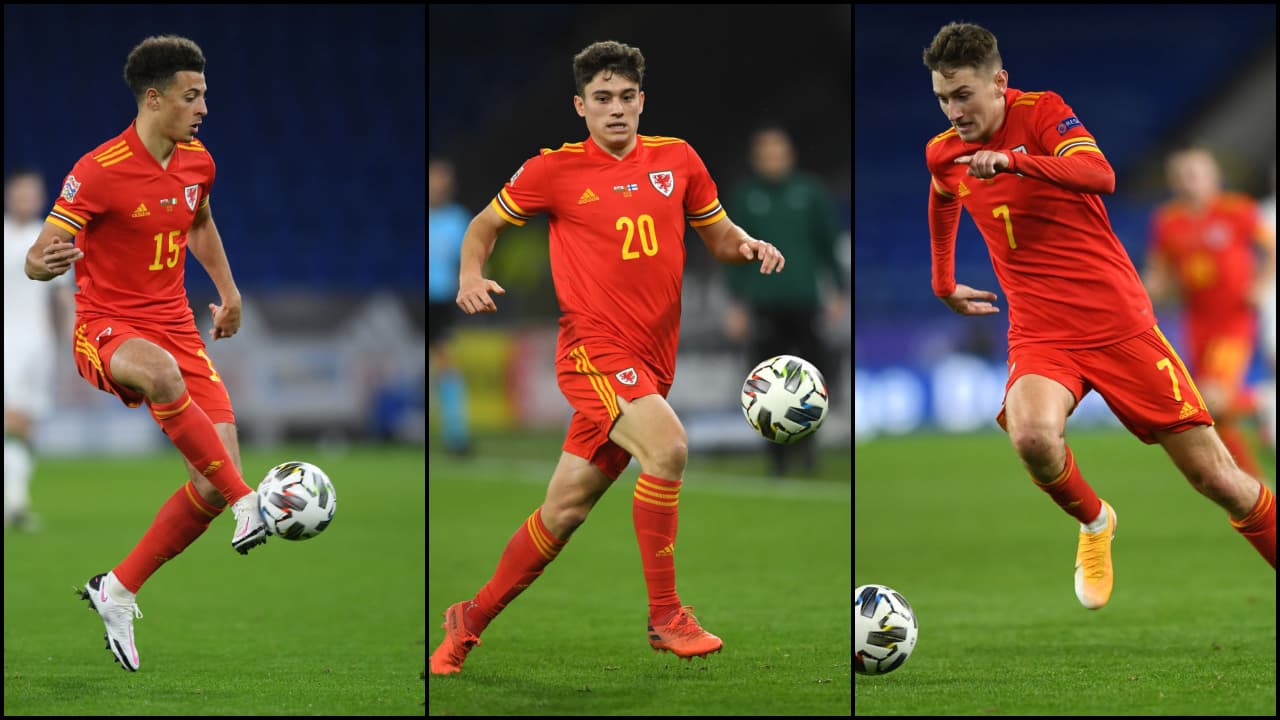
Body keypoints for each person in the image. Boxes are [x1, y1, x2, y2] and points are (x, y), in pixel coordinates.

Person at [430, 40, 786, 675]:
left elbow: (719, 235)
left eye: (626, 97)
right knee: (670, 448)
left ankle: (469, 619)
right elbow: (483, 224)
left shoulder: (678, 160)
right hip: (593, 354)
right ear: (580, 106)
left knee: (563, 511)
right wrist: (468, 275)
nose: (616, 109)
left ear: (642, 100)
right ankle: (666, 614)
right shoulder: (552, 171)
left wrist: (749, 245)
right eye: (602, 99)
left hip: (652, 363)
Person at [921, 21, 1275, 612]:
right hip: (1040, 333)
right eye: (942, 98)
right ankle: (1094, 521)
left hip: (1120, 326)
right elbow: (941, 193)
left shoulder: (1042, 114)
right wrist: (942, 281)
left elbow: (1100, 174)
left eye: (963, 95)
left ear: (999, 82)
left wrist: (1014, 161)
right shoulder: (946, 150)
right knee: (1032, 436)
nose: (953, 110)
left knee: (1221, 482)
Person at [25, 35, 265, 672]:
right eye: (193, 96)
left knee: (208, 484)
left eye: (206, 94)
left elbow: (200, 222)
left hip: (179, 329)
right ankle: (251, 500)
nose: (204, 107)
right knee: (175, 399)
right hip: (107, 328)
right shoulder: (98, 169)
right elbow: (37, 255)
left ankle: (119, 588)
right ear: (153, 99)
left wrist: (229, 292)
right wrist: (41, 265)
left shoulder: (197, 162)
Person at [1144, 147, 1275, 480]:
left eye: (1196, 174)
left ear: (1213, 176)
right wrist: (1145, 296)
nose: (1190, 182)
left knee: (1215, 400)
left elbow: (1271, 247)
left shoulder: (1237, 210)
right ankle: (1256, 488)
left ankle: (1264, 402)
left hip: (1233, 320)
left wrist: (1260, 284)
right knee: (1209, 413)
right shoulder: (1168, 220)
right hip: (1196, 321)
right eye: (1182, 176)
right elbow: (1159, 272)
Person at [723, 125, 845, 476]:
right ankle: (776, 459)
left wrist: (836, 290)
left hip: (804, 301)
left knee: (809, 383)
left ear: (789, 155)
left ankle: (808, 450)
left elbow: (827, 244)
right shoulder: (746, 197)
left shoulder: (810, 193)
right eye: (766, 153)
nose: (772, 159)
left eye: (777, 151)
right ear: (756, 158)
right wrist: (736, 303)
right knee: (764, 388)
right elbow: (733, 253)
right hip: (763, 304)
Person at [4, 169, 75, 531]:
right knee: (12, 419)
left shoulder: (48, 237)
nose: (26, 199)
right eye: (20, 192)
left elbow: (61, 293)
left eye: (32, 193)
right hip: (7, 342)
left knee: (28, 425)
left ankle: (15, 497)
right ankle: (14, 501)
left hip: (40, 345)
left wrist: (70, 332)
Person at [428, 158, 472, 455]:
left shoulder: (458, 219)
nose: (438, 186)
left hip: (443, 301)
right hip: (414, 301)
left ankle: (456, 435)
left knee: (446, 365)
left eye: (442, 180)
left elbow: (473, 257)